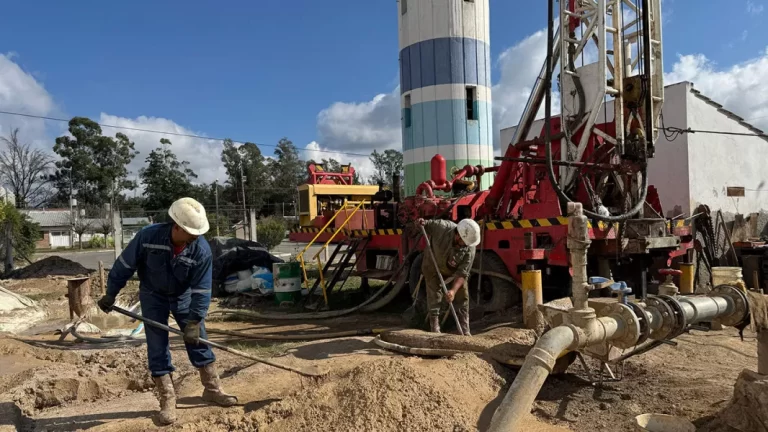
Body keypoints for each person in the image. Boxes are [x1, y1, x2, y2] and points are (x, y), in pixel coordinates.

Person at [97, 197, 236, 425]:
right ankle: (168, 401)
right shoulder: (148, 237)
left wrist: (194, 321)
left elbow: (201, 291)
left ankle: (213, 389)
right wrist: (111, 293)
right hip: (152, 295)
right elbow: (124, 265)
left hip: (183, 296)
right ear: (177, 226)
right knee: (157, 345)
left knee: (198, 339)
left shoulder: (201, 251)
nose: (195, 237)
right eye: (191, 232)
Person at [416, 217, 481, 336]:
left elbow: (462, 273)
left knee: (462, 293)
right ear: (458, 235)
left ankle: (465, 329)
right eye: (463, 243)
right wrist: (421, 223)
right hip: (432, 264)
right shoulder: (441, 227)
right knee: (434, 293)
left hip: (453, 270)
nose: (465, 246)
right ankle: (435, 327)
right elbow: (425, 224)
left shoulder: (470, 248)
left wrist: (453, 291)